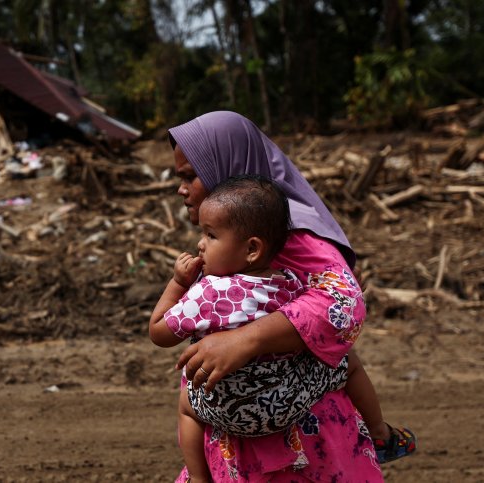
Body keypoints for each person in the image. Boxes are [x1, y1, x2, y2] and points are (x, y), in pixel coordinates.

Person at [166, 111, 415, 482]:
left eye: (190, 176)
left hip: (302, 438)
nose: (181, 189)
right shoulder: (232, 233)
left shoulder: (290, 233)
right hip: (245, 427)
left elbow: (344, 300)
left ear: (227, 168)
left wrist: (247, 339)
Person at [150, 174, 352, 482]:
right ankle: (379, 430)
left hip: (230, 412)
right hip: (287, 406)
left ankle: (200, 479)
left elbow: (159, 333)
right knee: (346, 363)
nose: (200, 244)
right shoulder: (290, 282)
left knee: (186, 406)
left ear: (252, 249)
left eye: (210, 235)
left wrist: (178, 282)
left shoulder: (210, 293)